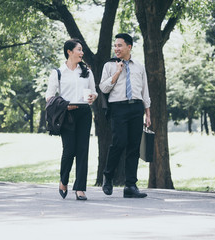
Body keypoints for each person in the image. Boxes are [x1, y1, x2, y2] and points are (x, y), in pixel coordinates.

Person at [99, 33, 151, 198]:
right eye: (115, 46)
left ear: (129, 47)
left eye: (119, 45)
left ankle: (130, 186)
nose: (116, 49)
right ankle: (108, 175)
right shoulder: (109, 65)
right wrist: (116, 73)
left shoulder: (139, 67)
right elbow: (103, 88)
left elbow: (145, 91)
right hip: (118, 108)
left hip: (136, 108)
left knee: (134, 147)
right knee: (119, 142)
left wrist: (147, 113)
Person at [46, 39, 97, 200]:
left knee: (82, 150)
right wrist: (64, 105)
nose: (82, 53)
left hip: (84, 112)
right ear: (69, 51)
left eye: (82, 50)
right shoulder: (58, 72)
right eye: (79, 50)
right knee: (69, 150)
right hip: (66, 114)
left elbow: (94, 92)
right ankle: (64, 180)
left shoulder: (87, 71)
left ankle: (80, 188)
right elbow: (49, 96)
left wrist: (92, 97)